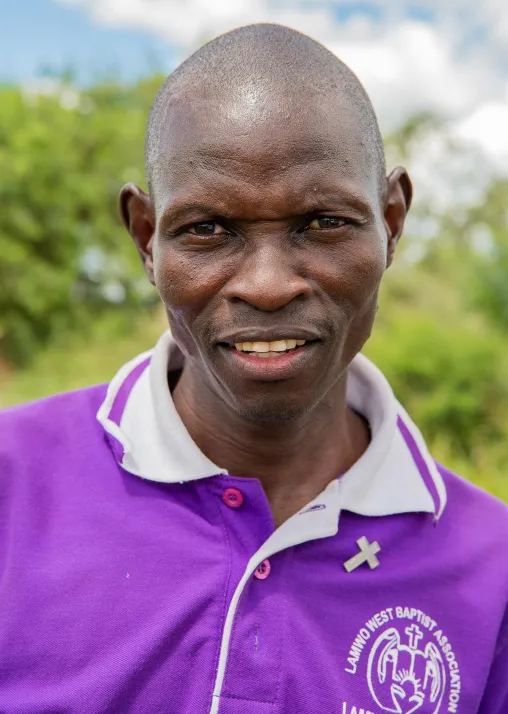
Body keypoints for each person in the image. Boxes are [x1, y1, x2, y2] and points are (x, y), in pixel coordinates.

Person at [1, 23, 507, 714]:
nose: (267, 286)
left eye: (323, 222)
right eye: (208, 229)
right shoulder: (13, 485)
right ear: (147, 239)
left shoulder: (491, 571)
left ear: (390, 222)